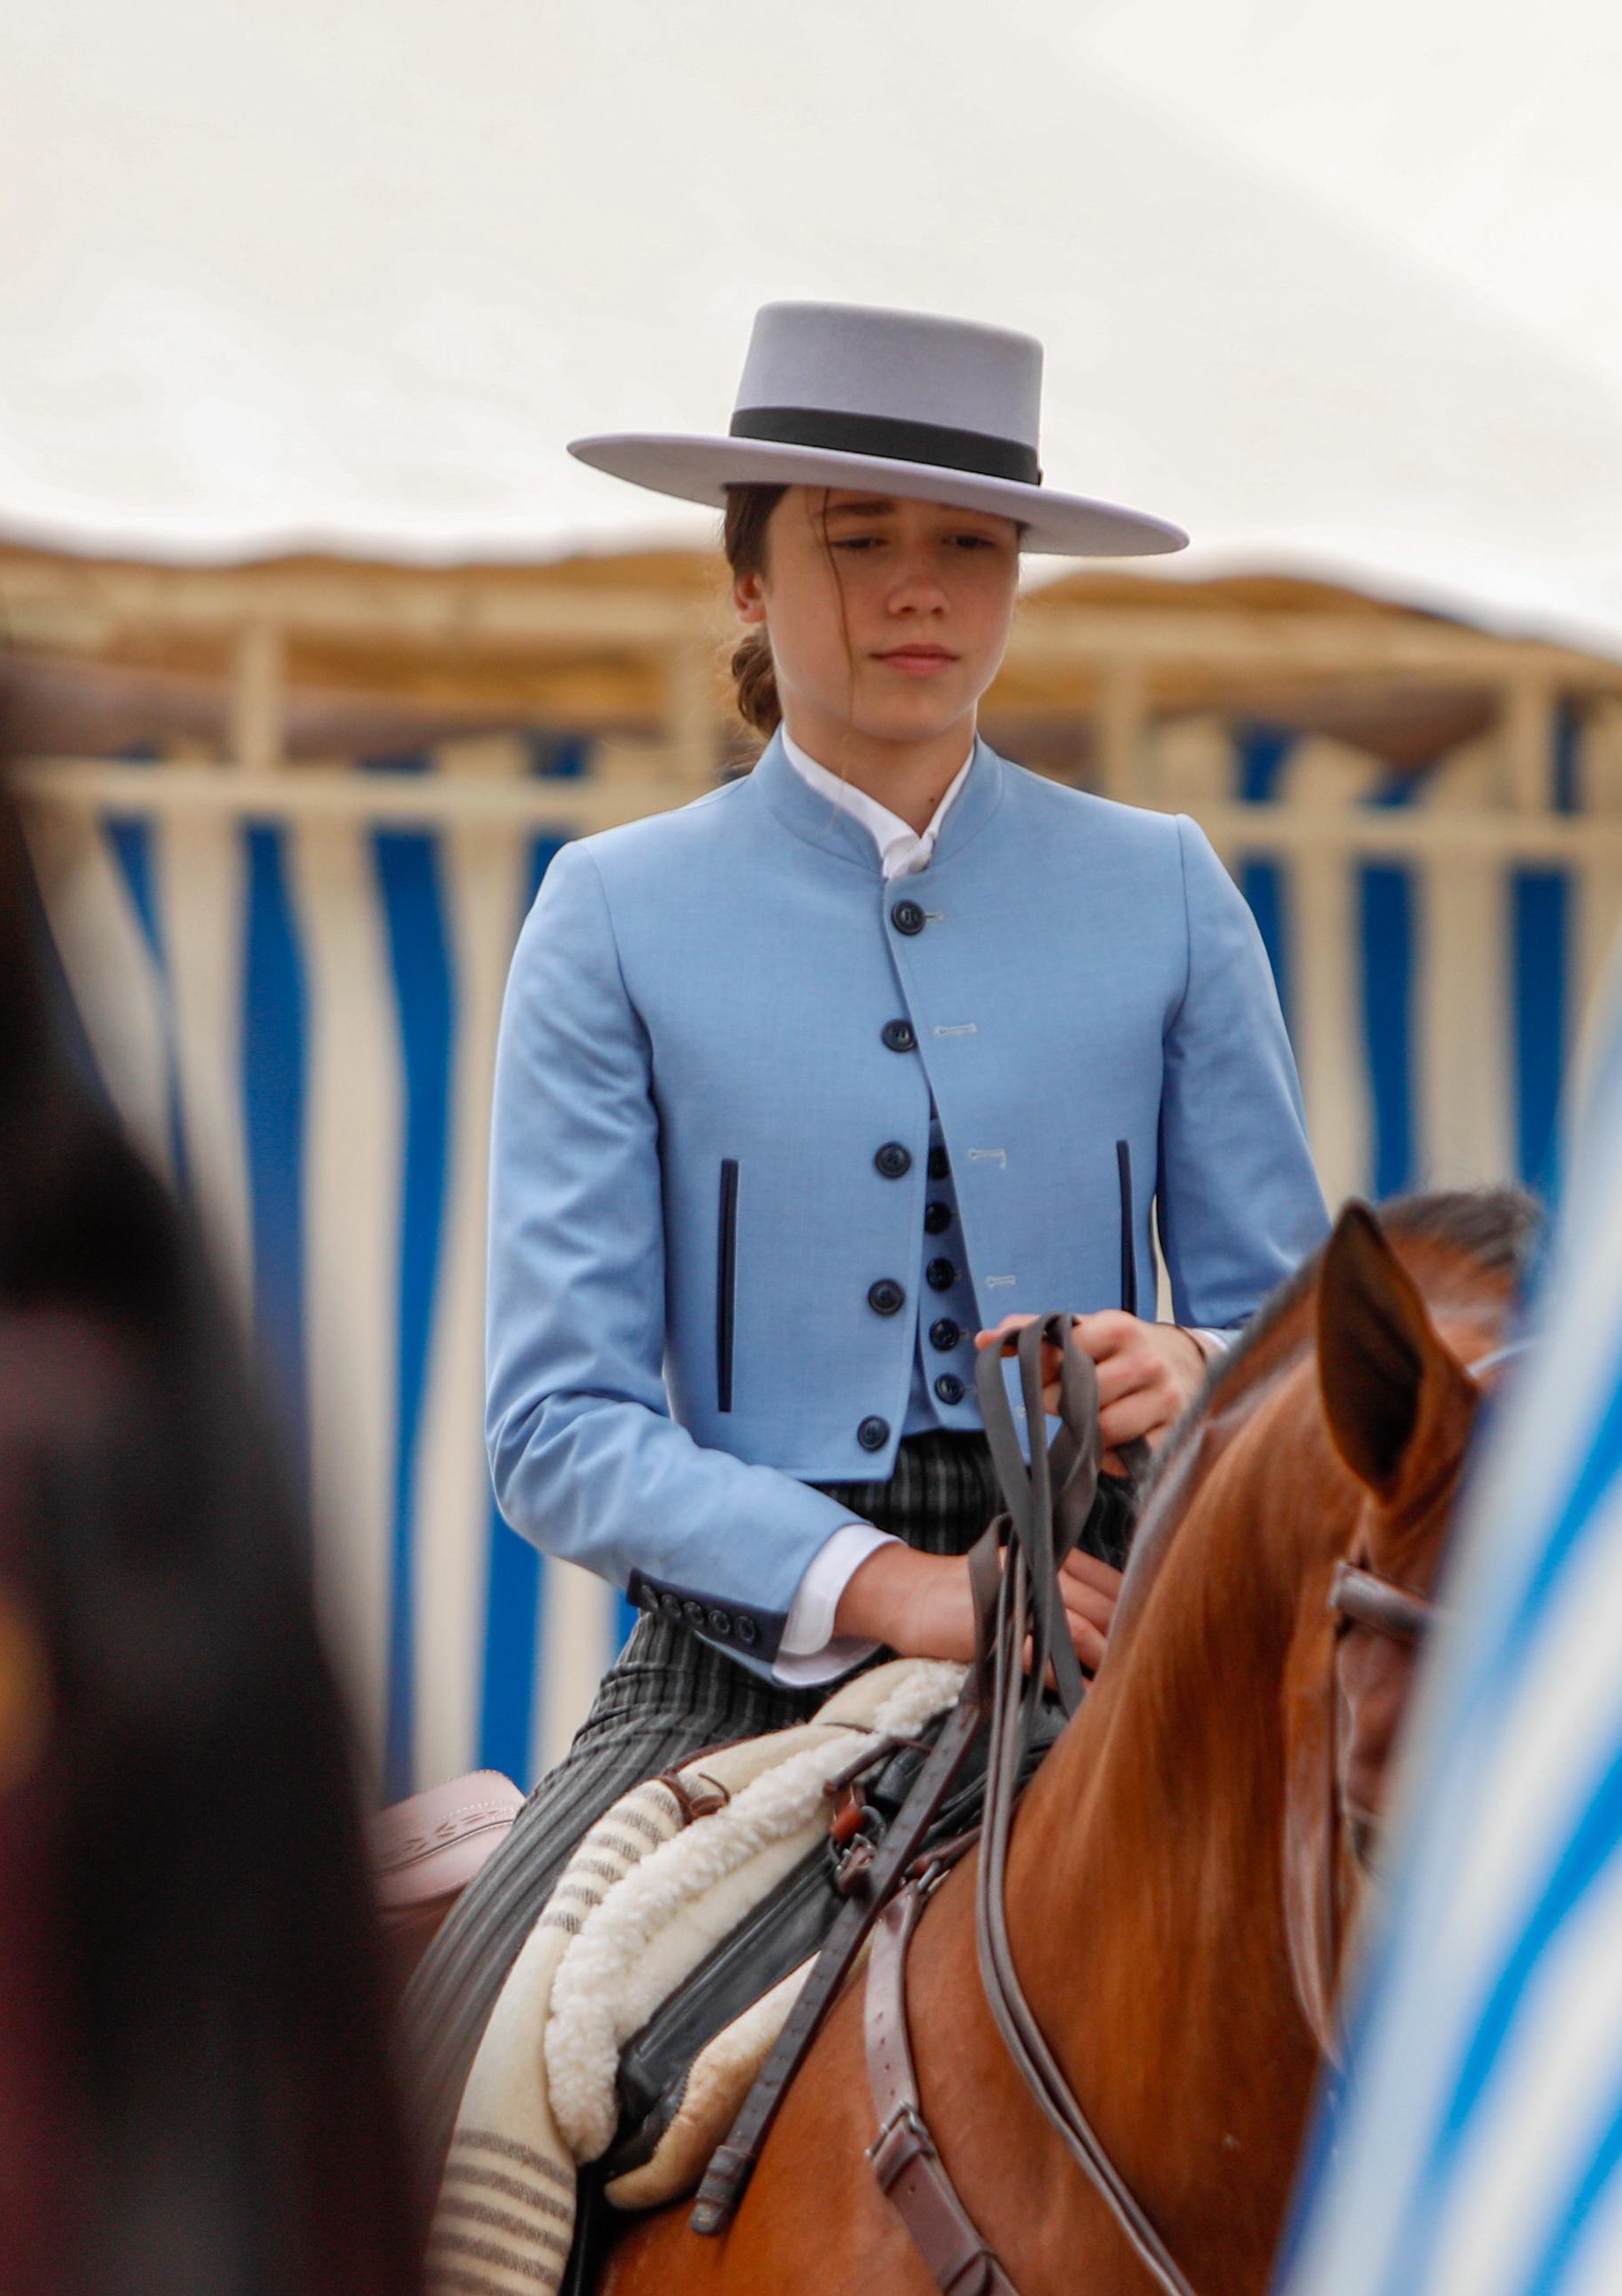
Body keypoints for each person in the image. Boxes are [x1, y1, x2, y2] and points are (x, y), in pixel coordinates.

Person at [392, 299, 1326, 2122]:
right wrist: (896, 1590)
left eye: (968, 546)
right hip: (744, 1654)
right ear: (748, 579)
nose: (919, 591)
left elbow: (1302, 1340)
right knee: (477, 2077)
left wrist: (1195, 1359)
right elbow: (556, 1428)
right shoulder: (611, 913)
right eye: (856, 539)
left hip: (1123, 1613)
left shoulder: (1168, 892)